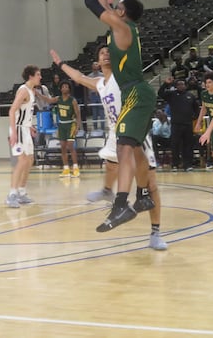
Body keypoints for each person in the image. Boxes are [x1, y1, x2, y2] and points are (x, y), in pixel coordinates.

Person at [51, 46, 167, 250]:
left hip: (133, 129)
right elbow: (78, 77)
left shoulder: (123, 76)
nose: (105, 54)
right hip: (116, 131)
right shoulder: (100, 83)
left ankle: (155, 233)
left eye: (108, 52)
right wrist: (60, 64)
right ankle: (107, 191)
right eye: (101, 53)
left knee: (151, 185)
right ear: (96, 61)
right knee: (111, 164)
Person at [73, 0, 157, 232]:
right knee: (135, 148)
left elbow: (91, 4)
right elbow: (106, 10)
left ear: (123, 13)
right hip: (140, 91)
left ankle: (121, 203)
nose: (113, 8)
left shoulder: (121, 28)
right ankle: (143, 196)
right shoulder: (125, 28)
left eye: (117, 6)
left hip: (133, 92)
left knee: (123, 147)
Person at [5, 65, 40, 208]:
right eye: (38, 74)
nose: (40, 77)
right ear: (31, 76)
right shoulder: (23, 91)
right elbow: (12, 110)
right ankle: (11, 194)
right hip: (18, 130)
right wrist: (13, 132)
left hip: (25, 129)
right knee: (22, 161)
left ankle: (21, 192)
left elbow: (23, 113)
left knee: (30, 160)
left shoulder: (31, 91)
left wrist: (29, 125)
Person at [158, 76, 198, 171]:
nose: (181, 86)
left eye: (182, 84)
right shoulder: (172, 95)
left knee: (188, 145)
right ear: (176, 86)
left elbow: (196, 108)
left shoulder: (190, 95)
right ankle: (175, 164)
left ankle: (188, 164)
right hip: (176, 124)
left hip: (188, 124)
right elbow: (160, 93)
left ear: (185, 85)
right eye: (179, 84)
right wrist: (166, 84)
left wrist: (194, 117)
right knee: (175, 145)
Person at [56, 80, 82, 178]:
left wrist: (78, 127)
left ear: (69, 89)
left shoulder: (73, 100)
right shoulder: (58, 99)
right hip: (61, 125)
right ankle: (66, 169)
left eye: (66, 87)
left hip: (71, 124)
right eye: (63, 87)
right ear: (60, 89)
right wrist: (37, 94)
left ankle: (75, 168)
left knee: (70, 146)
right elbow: (48, 100)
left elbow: (78, 114)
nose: (64, 88)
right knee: (62, 147)